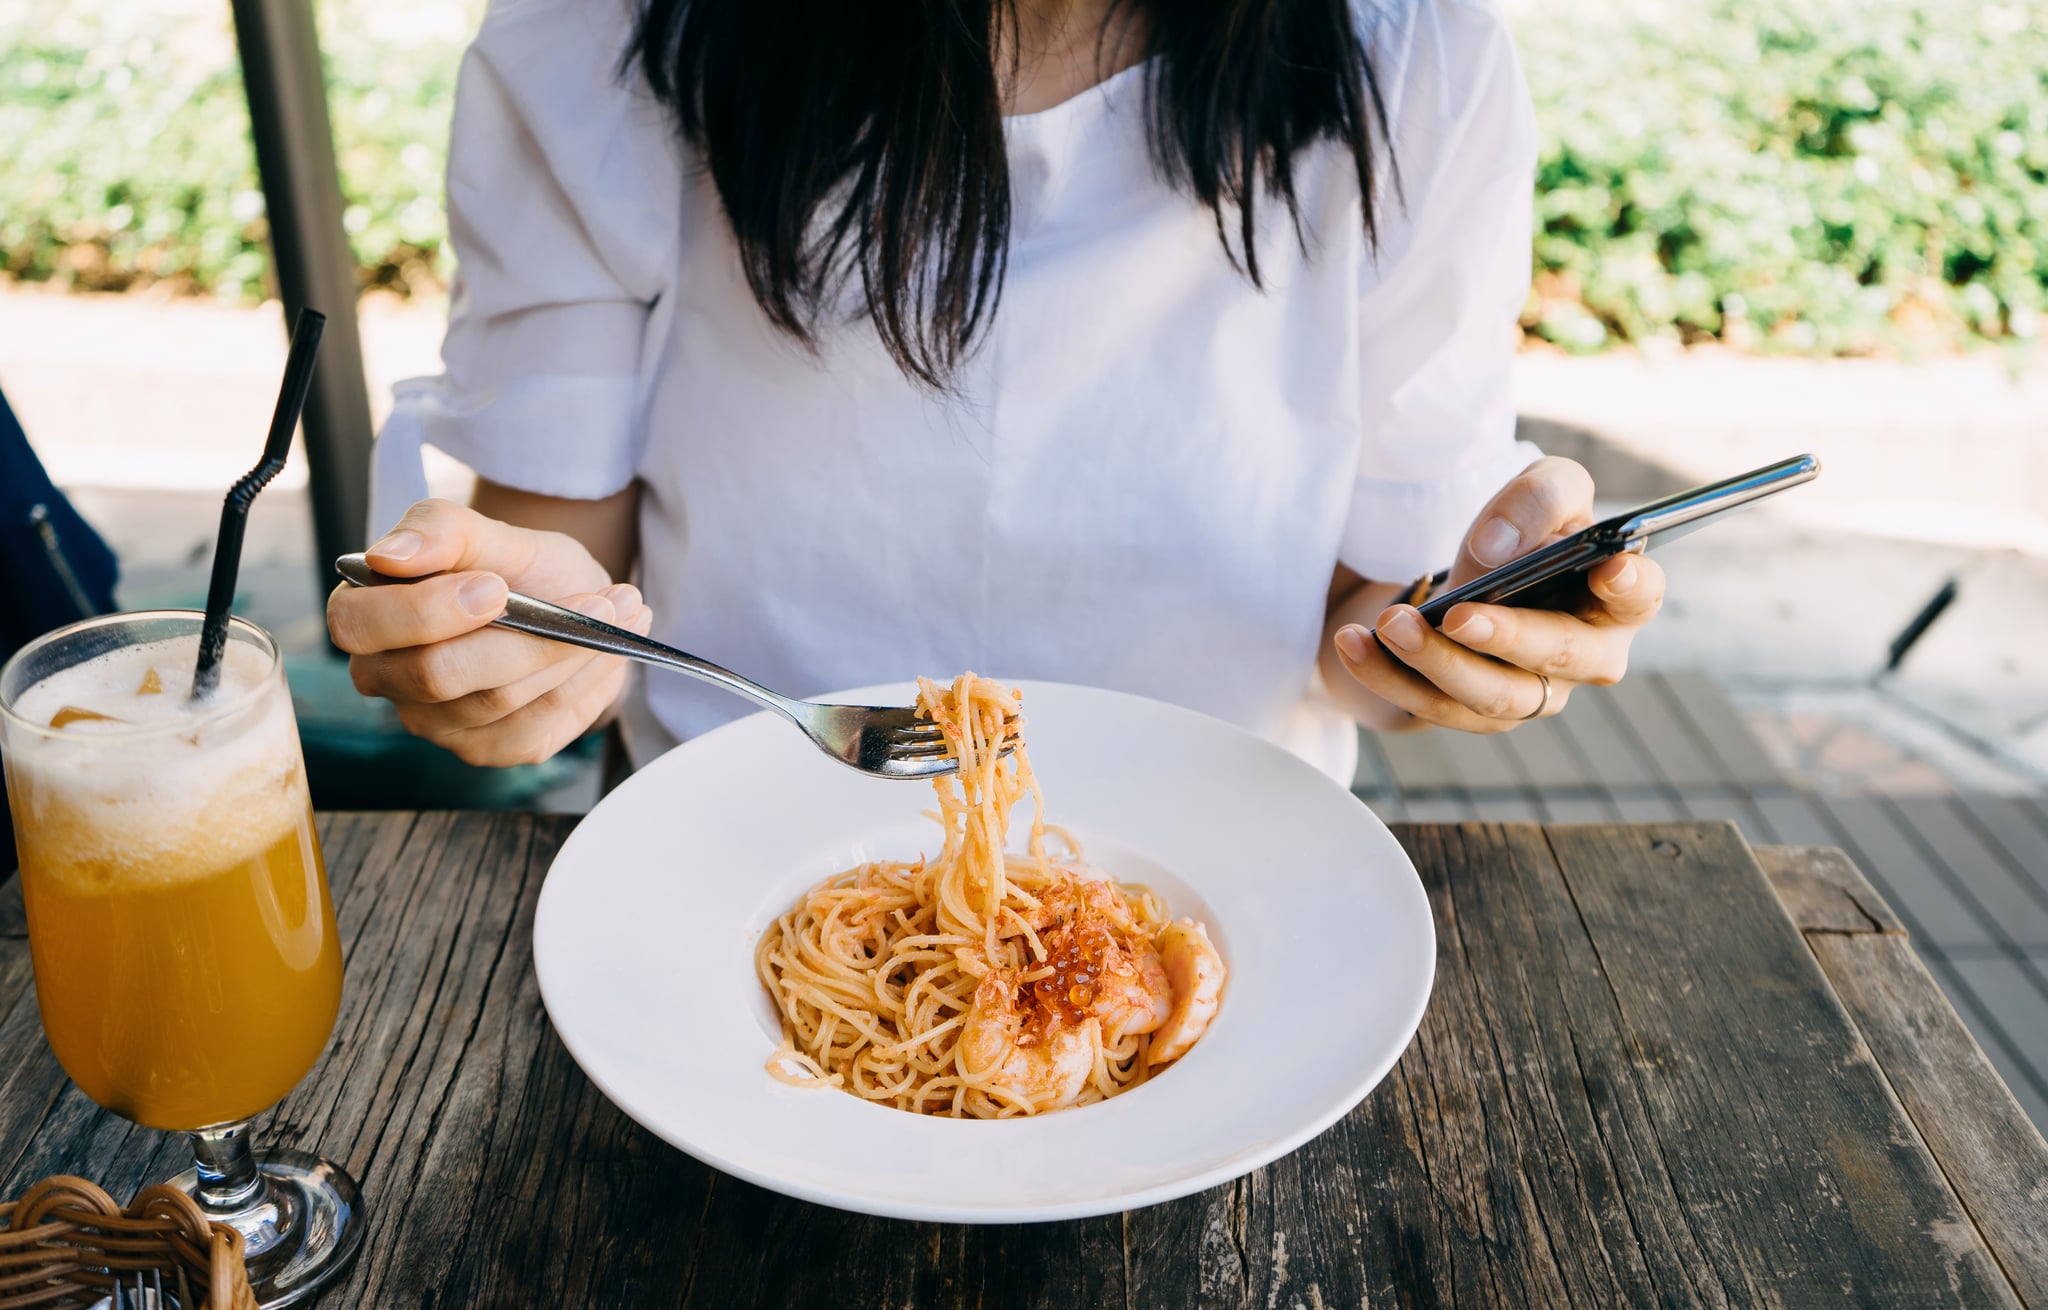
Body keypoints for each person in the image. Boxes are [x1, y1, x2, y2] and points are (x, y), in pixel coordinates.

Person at [333, 0, 1665, 786]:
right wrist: (509, 648)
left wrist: (1457, 639)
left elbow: (1359, 634)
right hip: (727, 862)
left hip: (1228, 877)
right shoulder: (609, 29)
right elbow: (569, 568)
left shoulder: (1411, 52)